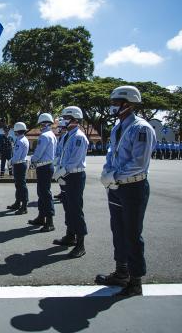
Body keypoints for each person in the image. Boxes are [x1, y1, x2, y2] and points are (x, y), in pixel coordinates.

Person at [98, 86, 156, 297]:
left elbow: (139, 163)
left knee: (132, 233)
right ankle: (121, 272)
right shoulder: (117, 128)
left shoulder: (142, 128)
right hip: (116, 187)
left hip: (133, 186)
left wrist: (114, 176)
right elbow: (111, 156)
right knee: (118, 229)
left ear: (128, 103)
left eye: (116, 102)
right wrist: (107, 172)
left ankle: (135, 281)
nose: (112, 106)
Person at [52, 106, 89, 258]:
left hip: (74, 176)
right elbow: (60, 154)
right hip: (65, 175)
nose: (63, 120)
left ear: (75, 120)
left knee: (76, 209)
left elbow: (75, 160)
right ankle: (70, 235)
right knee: (68, 207)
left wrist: (62, 172)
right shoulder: (67, 136)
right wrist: (57, 167)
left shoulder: (79, 137)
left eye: (66, 118)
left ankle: (80, 244)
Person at [28, 113, 57, 232]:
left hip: (44, 167)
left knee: (45, 194)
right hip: (46, 166)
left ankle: (49, 222)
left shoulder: (44, 136)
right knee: (42, 193)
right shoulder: (52, 135)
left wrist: (32, 160)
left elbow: (39, 153)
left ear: (45, 123)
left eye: (41, 124)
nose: (40, 126)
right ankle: (41, 217)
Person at [6, 122, 30, 214]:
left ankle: (24, 206)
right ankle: (17, 203)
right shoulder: (22, 139)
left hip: (19, 164)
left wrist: (10, 161)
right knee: (18, 185)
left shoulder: (20, 141)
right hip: (19, 164)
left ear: (17, 130)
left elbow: (17, 156)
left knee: (21, 186)